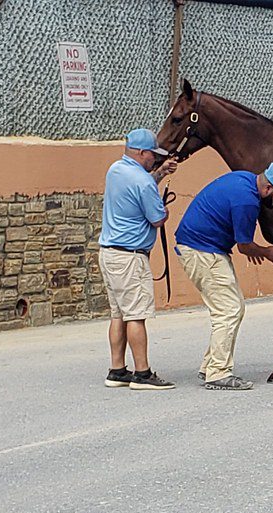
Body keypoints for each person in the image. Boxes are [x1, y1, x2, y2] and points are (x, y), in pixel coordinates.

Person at [174, 162, 273, 391]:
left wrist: (254, 248)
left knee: (233, 307)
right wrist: (267, 252)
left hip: (200, 247)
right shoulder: (247, 201)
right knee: (228, 310)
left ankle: (210, 364)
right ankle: (218, 373)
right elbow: (244, 246)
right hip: (203, 252)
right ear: (269, 188)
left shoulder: (244, 178)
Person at [99, 128, 178, 390]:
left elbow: (140, 183)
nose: (154, 159)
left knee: (118, 313)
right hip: (130, 257)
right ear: (141, 152)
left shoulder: (116, 170)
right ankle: (142, 373)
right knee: (136, 314)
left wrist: (160, 172)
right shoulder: (143, 182)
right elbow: (157, 218)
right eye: (153, 155)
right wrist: (163, 210)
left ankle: (117, 369)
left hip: (109, 252)